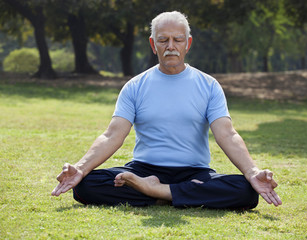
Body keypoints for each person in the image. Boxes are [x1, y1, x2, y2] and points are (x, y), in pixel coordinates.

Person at [51, 11, 282, 209]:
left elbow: (227, 134)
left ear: (188, 43)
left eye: (177, 40)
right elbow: (112, 135)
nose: (171, 46)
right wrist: (80, 168)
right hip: (143, 170)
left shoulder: (209, 85)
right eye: (163, 40)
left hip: (194, 172)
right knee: (85, 185)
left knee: (246, 191)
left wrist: (252, 173)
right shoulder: (135, 86)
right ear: (153, 45)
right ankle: (172, 193)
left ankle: (158, 193)